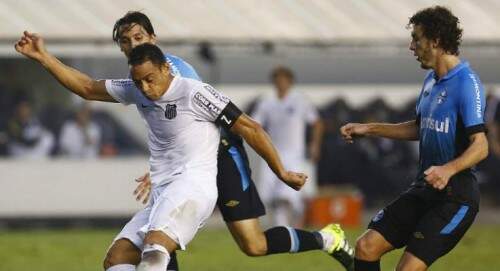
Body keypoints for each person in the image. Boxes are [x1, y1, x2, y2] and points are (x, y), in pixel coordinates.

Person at [112, 11, 353, 271]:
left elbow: (199, 122)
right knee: (160, 239)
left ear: (153, 38)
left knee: (254, 244)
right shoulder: (138, 81)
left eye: (139, 37)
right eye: (126, 40)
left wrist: (282, 171)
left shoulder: (176, 73)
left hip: (221, 153)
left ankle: (327, 239)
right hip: (183, 171)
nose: (133, 44)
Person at [340, 6, 488, 271]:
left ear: (435, 40)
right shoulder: (431, 81)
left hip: (456, 198)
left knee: (407, 269)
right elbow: (420, 129)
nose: (411, 47)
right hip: (424, 189)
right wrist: (369, 129)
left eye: (416, 39)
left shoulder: (467, 83)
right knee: (366, 246)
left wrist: (448, 169)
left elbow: (481, 145)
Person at [251, 66, 324, 227]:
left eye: (284, 80)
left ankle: (294, 222)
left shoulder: (300, 100)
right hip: (272, 153)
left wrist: (314, 145)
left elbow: (317, 123)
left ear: (290, 82)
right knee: (269, 196)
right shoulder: (267, 101)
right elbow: (255, 124)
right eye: (277, 80)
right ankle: (282, 228)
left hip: (294, 154)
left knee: (287, 195)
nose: (281, 83)